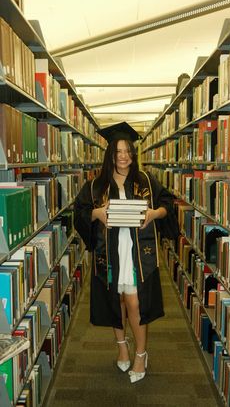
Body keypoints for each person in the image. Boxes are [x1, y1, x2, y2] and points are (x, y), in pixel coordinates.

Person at [74, 122, 174, 383]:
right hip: (109, 252)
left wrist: (154, 214)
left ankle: (141, 354)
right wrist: (98, 213)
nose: (123, 156)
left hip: (137, 252)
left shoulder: (146, 182)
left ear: (133, 153)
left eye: (127, 151)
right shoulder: (96, 186)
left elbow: (167, 204)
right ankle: (122, 347)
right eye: (118, 151)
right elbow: (80, 213)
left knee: (134, 303)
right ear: (110, 154)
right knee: (114, 303)